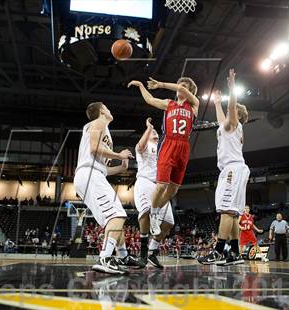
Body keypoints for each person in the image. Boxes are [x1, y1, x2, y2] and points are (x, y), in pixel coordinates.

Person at [73, 102, 145, 274]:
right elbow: (94, 149)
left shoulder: (103, 129)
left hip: (92, 175)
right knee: (117, 215)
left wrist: (121, 167)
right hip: (89, 174)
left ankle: (122, 256)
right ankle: (105, 258)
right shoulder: (98, 122)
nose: (110, 109)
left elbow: (103, 168)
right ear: (102, 111)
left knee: (114, 219)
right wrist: (118, 154)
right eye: (107, 107)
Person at [128, 76, 199, 236]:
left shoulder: (194, 105)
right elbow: (150, 99)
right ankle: (153, 214)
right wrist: (140, 85)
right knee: (161, 186)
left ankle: (156, 209)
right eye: (179, 84)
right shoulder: (169, 104)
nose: (180, 87)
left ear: (190, 91)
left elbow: (181, 90)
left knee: (173, 190)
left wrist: (161, 83)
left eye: (184, 86)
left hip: (183, 147)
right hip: (168, 144)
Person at [198, 69, 249, 266]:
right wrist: (217, 103)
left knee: (227, 211)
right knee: (234, 213)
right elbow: (221, 121)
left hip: (232, 170)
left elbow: (232, 109)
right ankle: (235, 253)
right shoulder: (227, 127)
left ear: (235, 114)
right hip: (236, 170)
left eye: (231, 110)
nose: (229, 111)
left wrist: (232, 87)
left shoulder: (234, 123)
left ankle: (218, 251)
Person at [134, 118, 174, 268]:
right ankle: (143, 253)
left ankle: (152, 252)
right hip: (145, 182)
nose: (154, 132)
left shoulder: (162, 149)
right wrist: (149, 128)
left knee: (169, 222)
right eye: (152, 132)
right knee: (145, 212)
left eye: (156, 131)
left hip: (160, 187)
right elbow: (139, 146)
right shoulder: (146, 145)